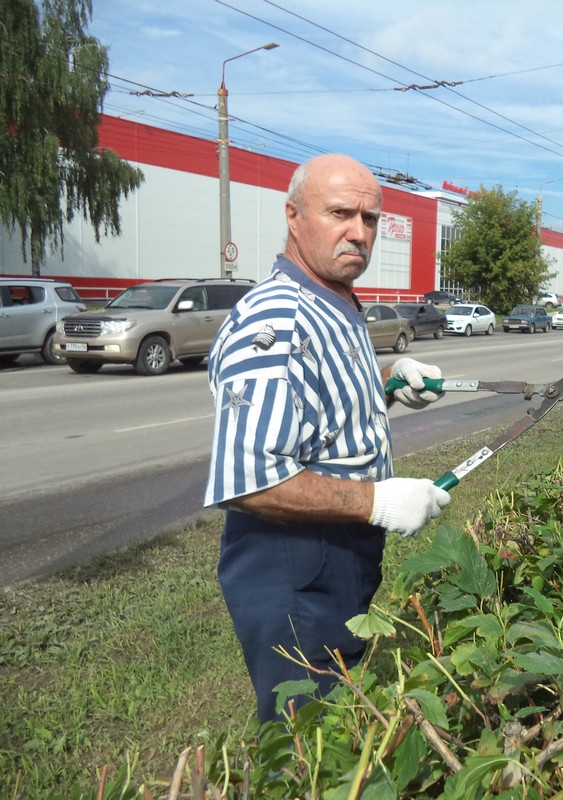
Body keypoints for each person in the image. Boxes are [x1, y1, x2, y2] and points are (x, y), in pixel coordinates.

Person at [204, 153, 451, 723]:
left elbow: (318, 416)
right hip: (294, 564)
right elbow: (250, 481)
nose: (358, 233)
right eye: (340, 213)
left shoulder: (331, 297)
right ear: (294, 216)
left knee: (341, 718)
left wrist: (389, 387)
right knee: (308, 739)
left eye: (369, 218)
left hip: (336, 550)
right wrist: (378, 500)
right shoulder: (280, 320)